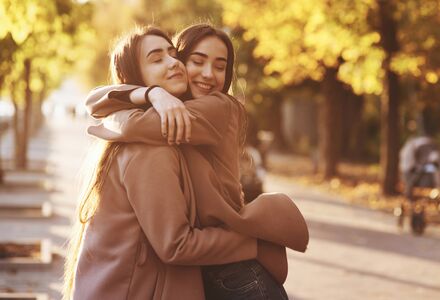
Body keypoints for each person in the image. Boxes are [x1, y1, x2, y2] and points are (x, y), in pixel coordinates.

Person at [64, 26, 291, 300]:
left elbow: (123, 119)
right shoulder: (159, 134)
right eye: (196, 61)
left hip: (233, 270)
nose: (208, 74)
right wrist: (150, 94)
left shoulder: (214, 108)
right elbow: (101, 104)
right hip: (209, 265)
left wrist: (149, 95)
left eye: (220, 67)